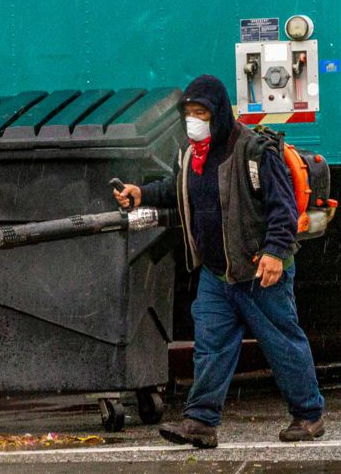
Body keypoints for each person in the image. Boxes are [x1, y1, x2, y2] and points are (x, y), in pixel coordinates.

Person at [115, 74, 325, 449]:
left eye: (202, 113)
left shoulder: (255, 150)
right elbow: (176, 188)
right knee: (210, 346)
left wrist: (276, 252)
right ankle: (200, 422)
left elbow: (283, 208)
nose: (194, 120)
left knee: (282, 344)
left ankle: (308, 415)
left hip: (260, 270)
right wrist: (141, 194)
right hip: (217, 273)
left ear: (219, 113)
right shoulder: (193, 156)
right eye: (189, 113)